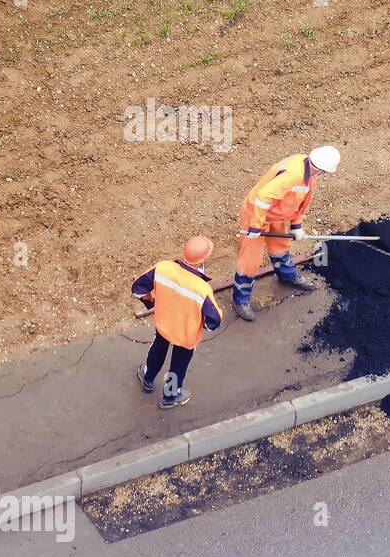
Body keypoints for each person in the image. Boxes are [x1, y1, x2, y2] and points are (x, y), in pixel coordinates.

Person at [232, 146, 340, 321]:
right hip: (257, 213)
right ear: (321, 170)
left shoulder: (309, 176)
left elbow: (302, 203)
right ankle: (240, 299)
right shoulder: (295, 174)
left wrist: (297, 225)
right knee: (251, 260)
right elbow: (263, 197)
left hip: (277, 214)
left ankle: (287, 276)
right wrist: (256, 226)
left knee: (281, 248)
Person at [132, 235, 221, 409]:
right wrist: (203, 325)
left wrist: (153, 302)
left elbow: (138, 289)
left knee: (157, 350)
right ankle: (170, 395)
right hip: (186, 335)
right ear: (203, 260)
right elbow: (214, 320)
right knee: (178, 364)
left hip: (164, 325)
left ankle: (147, 378)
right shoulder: (202, 289)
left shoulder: (163, 268)